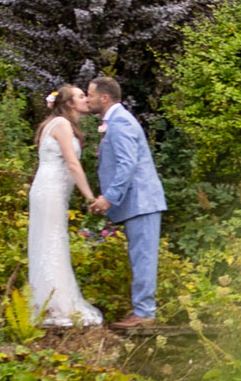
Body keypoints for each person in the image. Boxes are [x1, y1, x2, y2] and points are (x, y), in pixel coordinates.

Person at [86, 75, 167, 331]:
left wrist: (109, 197)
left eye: (90, 95)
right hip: (138, 202)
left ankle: (144, 313)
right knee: (139, 255)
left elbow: (127, 164)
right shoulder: (117, 121)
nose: (88, 100)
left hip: (142, 201)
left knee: (143, 256)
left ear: (105, 97)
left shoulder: (120, 122)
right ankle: (142, 310)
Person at [27, 84, 104, 328]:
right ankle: (57, 306)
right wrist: (90, 197)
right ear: (69, 103)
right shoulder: (61, 124)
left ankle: (50, 302)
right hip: (50, 191)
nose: (86, 100)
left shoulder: (61, 124)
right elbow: (72, 164)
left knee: (51, 241)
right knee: (52, 242)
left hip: (52, 191)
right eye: (81, 97)